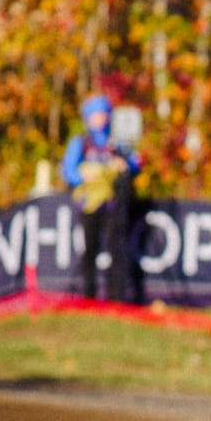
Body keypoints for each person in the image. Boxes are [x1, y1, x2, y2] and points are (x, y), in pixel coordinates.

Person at [62, 94, 142, 300]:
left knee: (117, 250)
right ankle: (88, 295)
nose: (99, 120)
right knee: (89, 250)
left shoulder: (117, 143)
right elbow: (68, 171)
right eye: (94, 115)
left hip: (114, 205)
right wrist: (84, 176)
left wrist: (126, 165)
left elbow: (135, 164)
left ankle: (117, 297)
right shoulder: (82, 143)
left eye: (102, 115)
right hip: (89, 206)